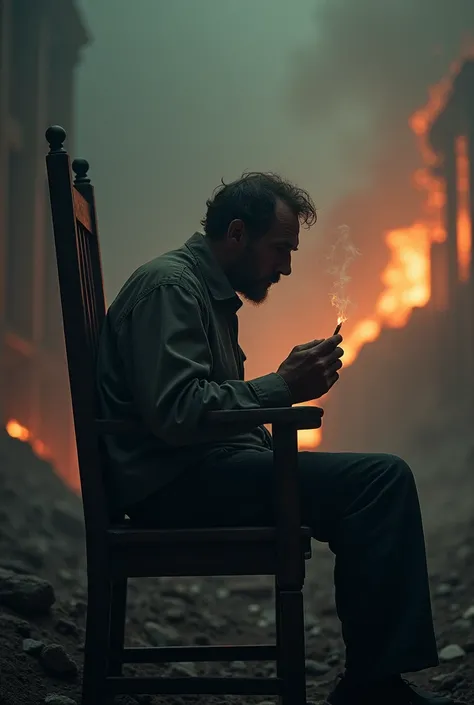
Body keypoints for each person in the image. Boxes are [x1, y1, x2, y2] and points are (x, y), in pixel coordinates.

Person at [96, 172, 454, 705]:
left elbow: (202, 402)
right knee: (380, 481)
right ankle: (374, 689)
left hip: (193, 472)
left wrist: (278, 390)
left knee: (369, 481)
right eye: (280, 249)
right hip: (173, 484)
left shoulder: (202, 289)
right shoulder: (171, 288)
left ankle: (374, 679)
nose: (286, 266)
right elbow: (177, 411)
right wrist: (282, 388)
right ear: (237, 233)